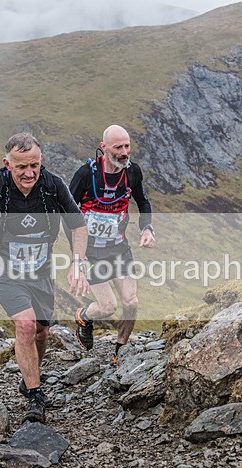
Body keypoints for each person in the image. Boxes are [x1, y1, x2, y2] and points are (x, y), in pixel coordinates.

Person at [0, 133, 90, 424]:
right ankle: (35, 396)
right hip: (3, 268)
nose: (29, 173)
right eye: (21, 167)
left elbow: (78, 224)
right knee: (25, 326)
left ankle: (29, 377)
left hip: (41, 270)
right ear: (7, 163)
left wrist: (78, 261)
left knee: (40, 331)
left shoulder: (53, 186)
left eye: (34, 165)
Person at [68, 125, 155, 366]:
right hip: (91, 251)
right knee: (107, 306)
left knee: (131, 302)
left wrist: (147, 228)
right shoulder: (86, 174)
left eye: (127, 146)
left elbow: (143, 202)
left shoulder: (132, 172)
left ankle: (121, 350)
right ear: (104, 147)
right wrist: (78, 257)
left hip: (118, 248)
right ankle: (84, 317)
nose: (124, 151)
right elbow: (66, 215)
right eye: (118, 147)